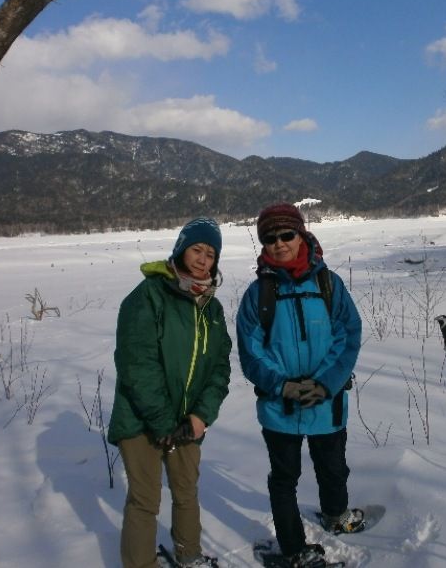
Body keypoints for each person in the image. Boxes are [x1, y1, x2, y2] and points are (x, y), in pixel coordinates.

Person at [236, 203, 364, 568]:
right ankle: (293, 549)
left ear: (301, 235)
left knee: (333, 467)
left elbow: (348, 334)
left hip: (328, 401)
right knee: (284, 479)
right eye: (270, 238)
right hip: (281, 407)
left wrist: (325, 383)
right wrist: (283, 386)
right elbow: (251, 350)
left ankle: (335, 514)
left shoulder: (328, 283)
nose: (279, 244)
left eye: (286, 235)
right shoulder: (258, 294)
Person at [108, 217, 232, 568]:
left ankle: (189, 555)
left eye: (211, 253)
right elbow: (137, 365)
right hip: (141, 420)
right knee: (145, 501)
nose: (203, 259)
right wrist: (163, 422)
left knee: (186, 493)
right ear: (181, 248)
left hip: (188, 422)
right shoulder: (148, 296)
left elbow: (220, 369)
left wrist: (201, 416)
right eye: (197, 249)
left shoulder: (213, 309)